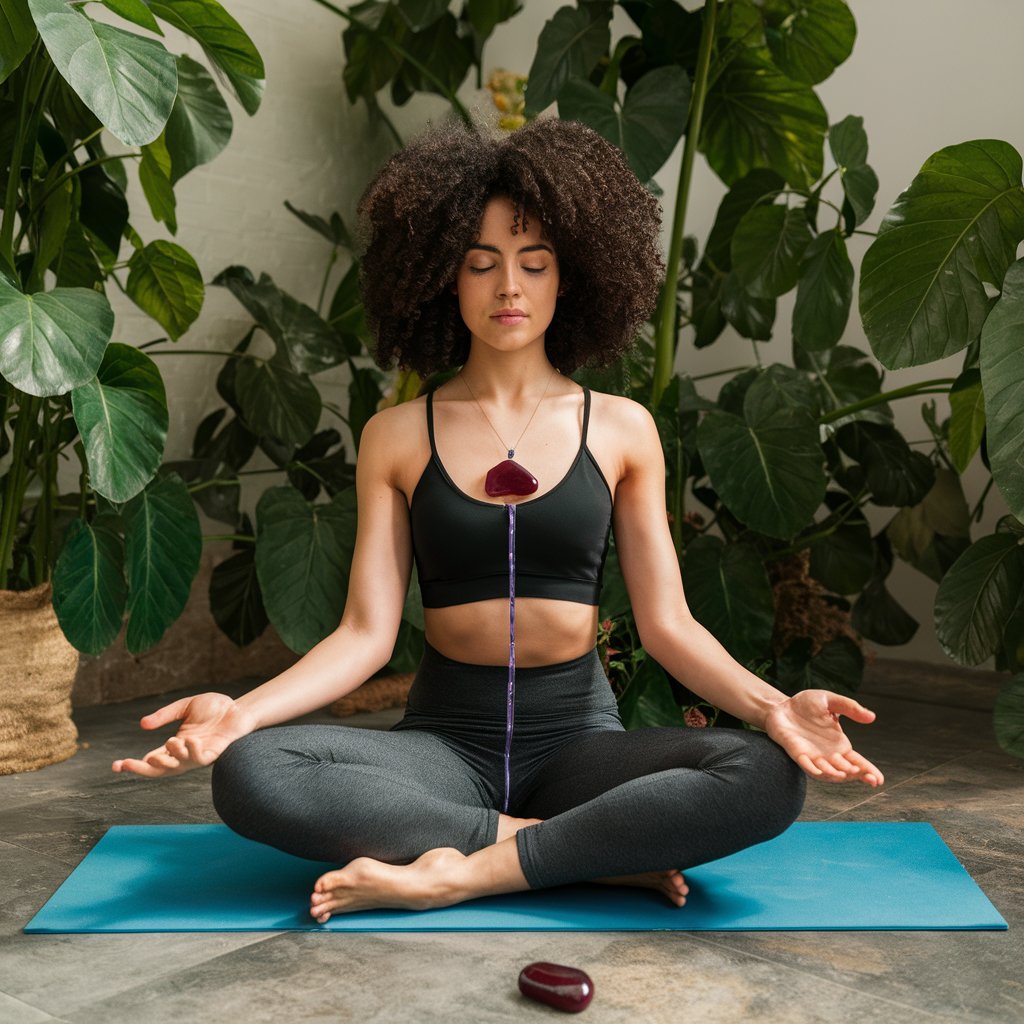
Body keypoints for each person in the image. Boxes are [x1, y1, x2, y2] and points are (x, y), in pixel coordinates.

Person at [113, 118, 884, 924]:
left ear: (570, 278)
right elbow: (365, 636)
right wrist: (241, 714)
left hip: (578, 742)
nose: (508, 286)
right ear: (444, 277)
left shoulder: (622, 429)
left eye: (534, 263)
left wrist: (771, 709)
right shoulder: (399, 435)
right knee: (254, 771)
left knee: (763, 775)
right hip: (444, 744)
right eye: (481, 264)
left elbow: (669, 626)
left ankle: (460, 873)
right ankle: (570, 853)